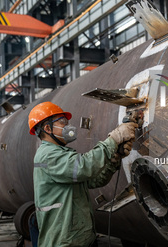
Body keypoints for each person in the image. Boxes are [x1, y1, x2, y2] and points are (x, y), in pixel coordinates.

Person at [28, 102, 137, 247]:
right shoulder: (48, 155)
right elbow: (84, 167)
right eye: (62, 122)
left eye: (67, 122)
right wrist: (113, 139)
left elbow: (95, 180)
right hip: (64, 242)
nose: (68, 127)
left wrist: (114, 159)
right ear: (47, 128)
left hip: (80, 239)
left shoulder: (61, 155)